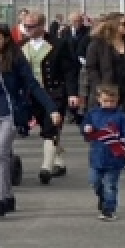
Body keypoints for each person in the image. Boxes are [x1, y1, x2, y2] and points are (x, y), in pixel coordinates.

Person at [0, 24, 60, 217]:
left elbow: (33, 85)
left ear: (6, 39)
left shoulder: (15, 58)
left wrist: (51, 108)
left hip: (11, 113)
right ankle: (8, 196)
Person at [20, 11, 78, 184]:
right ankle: (58, 160)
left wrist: (73, 93)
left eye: (31, 26)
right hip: (31, 94)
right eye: (26, 26)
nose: (27, 29)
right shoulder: (20, 45)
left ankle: (46, 168)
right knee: (45, 129)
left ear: (42, 26)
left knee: (50, 127)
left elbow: (70, 70)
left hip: (54, 92)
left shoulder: (59, 44)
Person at [82, 14, 125, 147]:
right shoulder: (97, 44)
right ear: (113, 26)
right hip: (107, 90)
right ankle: (109, 153)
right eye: (124, 24)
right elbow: (91, 68)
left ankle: (122, 153)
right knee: (107, 124)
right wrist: (100, 88)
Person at [81, 85, 125, 221]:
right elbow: (85, 128)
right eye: (105, 101)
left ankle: (109, 210)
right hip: (96, 157)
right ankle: (103, 198)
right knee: (94, 182)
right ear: (99, 99)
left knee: (110, 185)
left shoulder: (122, 117)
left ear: (117, 100)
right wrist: (86, 129)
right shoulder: (93, 114)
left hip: (114, 158)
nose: (109, 104)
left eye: (112, 101)